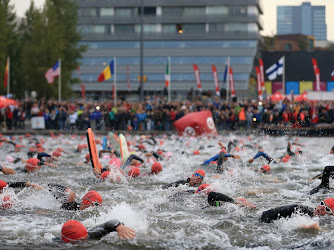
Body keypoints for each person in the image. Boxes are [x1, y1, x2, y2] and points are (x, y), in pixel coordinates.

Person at [259, 198, 334, 228]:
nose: (321, 208)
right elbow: (267, 214)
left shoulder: (325, 220)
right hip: (264, 221)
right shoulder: (301, 210)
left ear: (330, 214)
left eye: (326, 209)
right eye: (321, 204)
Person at [59, 219, 135, 243]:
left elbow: (107, 224)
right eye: (81, 240)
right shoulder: (57, 244)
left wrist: (118, 226)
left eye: (86, 237)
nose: (85, 241)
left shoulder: (91, 235)